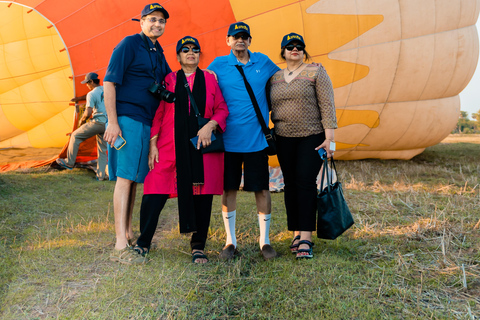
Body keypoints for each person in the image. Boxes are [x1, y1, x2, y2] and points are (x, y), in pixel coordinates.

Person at [132, 36, 229, 264]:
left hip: (199, 145)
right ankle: (144, 241)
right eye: (185, 50)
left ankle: (198, 246)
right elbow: (158, 113)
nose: (190, 52)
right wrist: (153, 143)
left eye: (195, 49)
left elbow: (222, 109)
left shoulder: (210, 80)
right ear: (178, 56)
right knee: (154, 190)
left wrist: (210, 126)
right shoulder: (169, 79)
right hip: (169, 147)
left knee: (202, 196)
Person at [103, 3, 172, 265]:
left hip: (146, 121)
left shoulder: (157, 50)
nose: (157, 24)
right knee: (124, 178)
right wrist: (112, 122)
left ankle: (129, 233)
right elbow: (109, 82)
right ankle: (120, 245)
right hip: (128, 118)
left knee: (133, 179)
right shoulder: (129, 44)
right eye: (152, 19)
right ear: (141, 22)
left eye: (162, 21)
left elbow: (169, 78)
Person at [208, 22, 280, 260]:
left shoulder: (264, 62)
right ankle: (230, 242)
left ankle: (265, 242)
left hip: (257, 140)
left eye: (244, 36)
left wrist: (311, 69)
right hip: (227, 140)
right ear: (228, 40)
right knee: (228, 189)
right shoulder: (218, 64)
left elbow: (287, 76)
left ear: (250, 40)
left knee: (261, 188)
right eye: (235, 36)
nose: (240, 40)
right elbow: (201, 86)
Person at [269, 33, 337, 259]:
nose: (294, 49)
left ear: (304, 50)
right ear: (283, 51)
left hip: (312, 137)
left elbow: (327, 105)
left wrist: (330, 139)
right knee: (290, 184)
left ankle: (306, 237)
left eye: (299, 46)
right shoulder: (275, 77)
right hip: (283, 137)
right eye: (289, 46)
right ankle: (297, 232)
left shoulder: (316, 71)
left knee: (306, 183)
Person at [56, 72, 108, 181]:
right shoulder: (106, 89)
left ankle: (69, 163)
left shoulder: (91, 94)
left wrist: (82, 121)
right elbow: (93, 94)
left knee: (75, 136)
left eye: (87, 83)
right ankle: (101, 176)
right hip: (107, 124)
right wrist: (79, 98)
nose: (86, 85)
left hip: (97, 122)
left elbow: (88, 112)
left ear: (91, 82)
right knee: (102, 150)